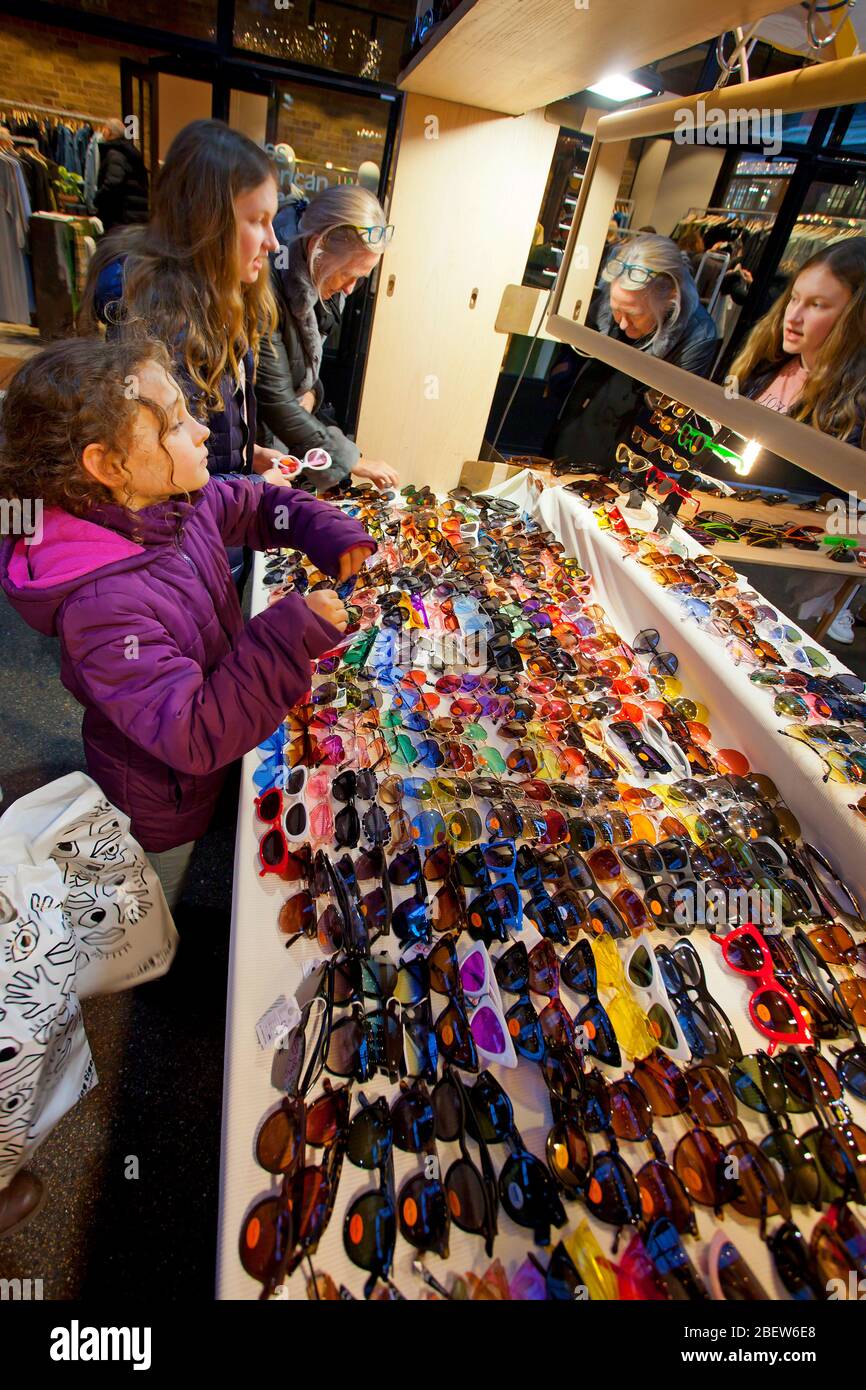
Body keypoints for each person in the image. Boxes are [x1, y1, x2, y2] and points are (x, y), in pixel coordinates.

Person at [0, 337, 375, 913]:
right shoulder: (102, 607)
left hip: (211, 745)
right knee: (151, 898)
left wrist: (317, 525)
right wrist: (289, 634)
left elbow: (250, 505)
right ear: (107, 465)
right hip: (161, 796)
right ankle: (144, 971)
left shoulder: (170, 504)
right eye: (174, 424)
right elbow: (192, 733)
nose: (202, 429)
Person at [82, 120, 287, 486]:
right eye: (258, 220)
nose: (272, 242)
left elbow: (202, 432)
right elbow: (159, 478)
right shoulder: (156, 322)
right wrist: (257, 492)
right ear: (209, 223)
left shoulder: (219, 297)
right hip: (190, 535)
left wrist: (246, 454)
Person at [727, 237, 866, 643]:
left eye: (818, 305)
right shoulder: (762, 367)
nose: (795, 315)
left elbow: (852, 523)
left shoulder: (853, 409)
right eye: (794, 298)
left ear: (853, 318)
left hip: (777, 586)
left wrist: (826, 566)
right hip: (715, 546)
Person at [256, 184, 399, 492]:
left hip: (282, 445)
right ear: (317, 246)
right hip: (254, 448)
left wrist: (312, 394)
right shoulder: (266, 284)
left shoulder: (320, 288)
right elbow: (274, 396)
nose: (350, 287)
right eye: (348, 273)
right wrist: (351, 460)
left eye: (360, 278)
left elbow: (300, 371)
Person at [547, 233, 719, 470]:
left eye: (635, 315)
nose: (623, 324)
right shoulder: (611, 297)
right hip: (587, 413)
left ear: (670, 297)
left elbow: (667, 421)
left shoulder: (698, 335)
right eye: (617, 311)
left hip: (633, 439)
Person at [92, 118, 149, 231]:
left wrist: (97, 199)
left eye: (104, 130)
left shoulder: (115, 154)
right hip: (135, 218)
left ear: (109, 132)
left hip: (120, 218)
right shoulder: (131, 153)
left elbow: (113, 182)